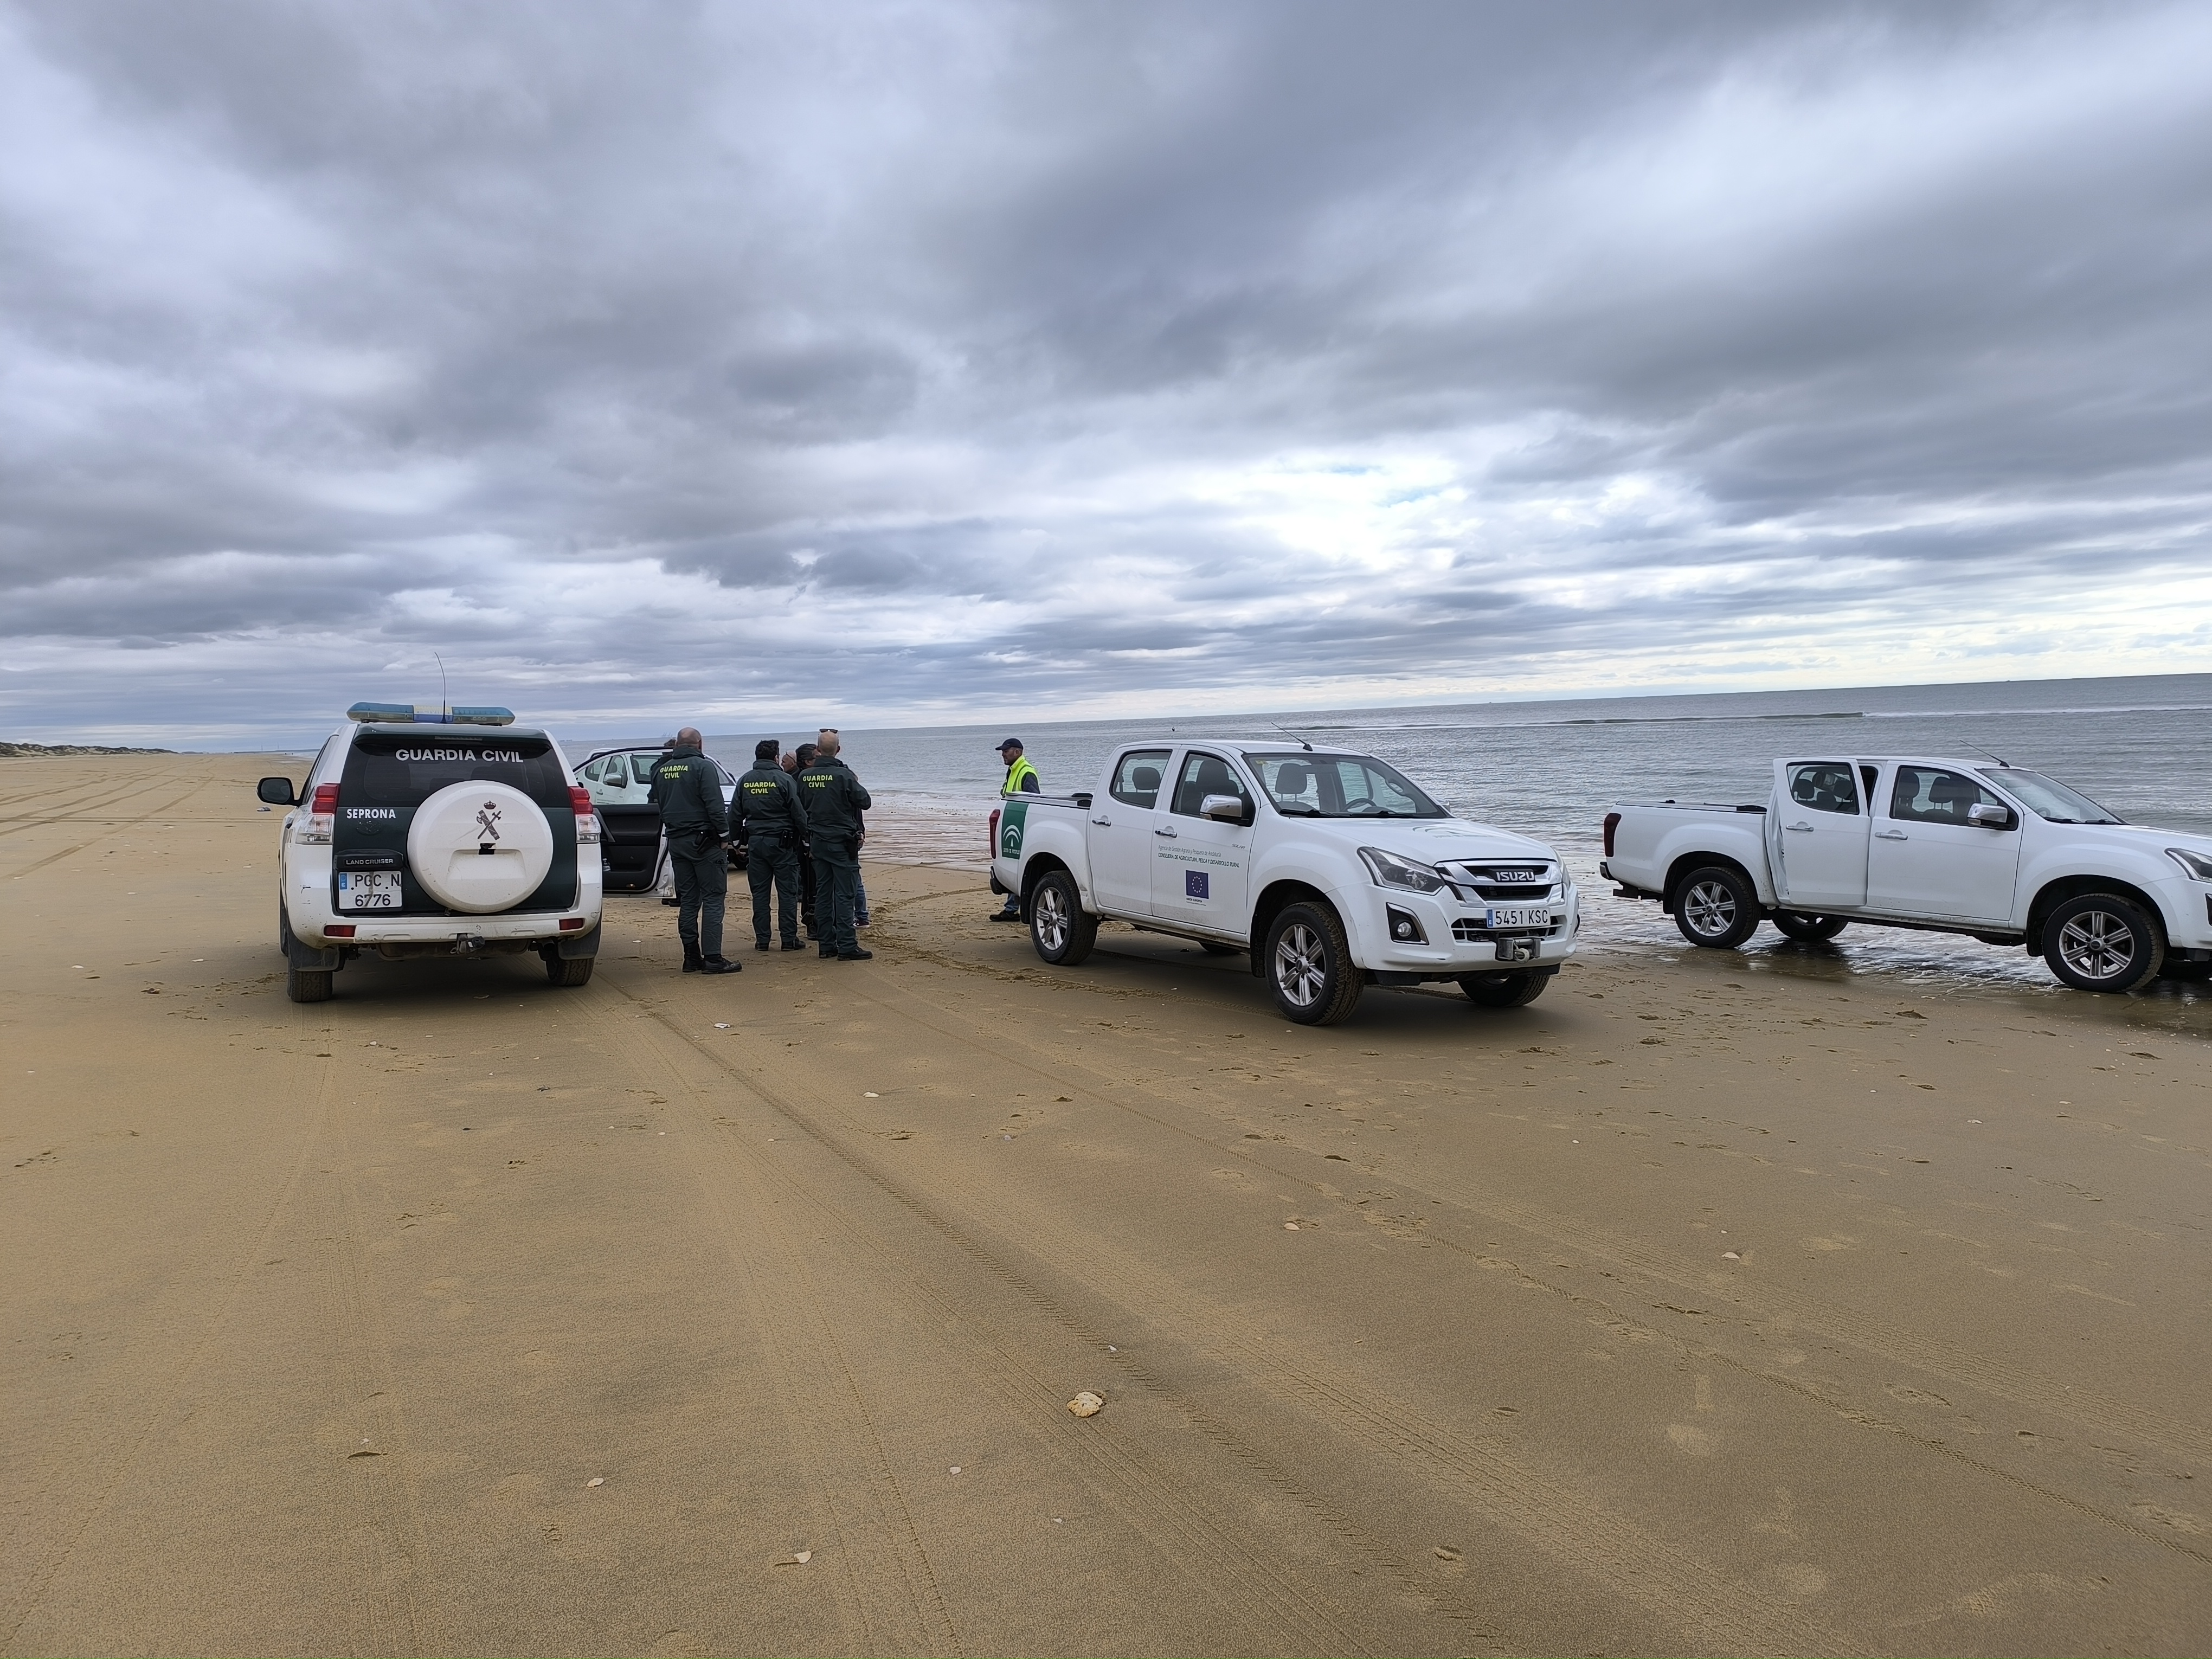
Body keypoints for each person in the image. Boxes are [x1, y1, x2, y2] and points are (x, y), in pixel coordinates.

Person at [648, 728, 739, 974]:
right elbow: (715, 805)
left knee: (689, 900)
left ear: (677, 745)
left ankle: (691, 957)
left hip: (677, 841)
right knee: (713, 898)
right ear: (700, 744)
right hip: (705, 842)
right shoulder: (703, 767)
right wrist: (724, 836)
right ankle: (713, 958)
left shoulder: (661, 770)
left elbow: (657, 802)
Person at [798, 729, 872, 961]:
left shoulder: (804, 777)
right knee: (845, 894)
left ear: (818, 750)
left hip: (818, 842)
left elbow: (800, 805)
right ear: (838, 750)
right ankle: (847, 945)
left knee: (823, 893)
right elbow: (865, 801)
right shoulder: (844, 775)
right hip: (841, 842)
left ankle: (827, 944)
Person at [736, 738, 808, 950]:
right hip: (782, 844)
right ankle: (788, 939)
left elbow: (735, 814)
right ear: (776, 758)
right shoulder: (785, 780)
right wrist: (807, 837)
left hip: (756, 843)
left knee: (760, 894)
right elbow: (798, 812)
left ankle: (762, 940)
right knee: (787, 893)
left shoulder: (745, 780)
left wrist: (735, 841)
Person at [991, 736, 1040, 921]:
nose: (1003, 754)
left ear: (1017, 752)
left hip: (1021, 827)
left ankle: (1016, 909)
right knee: (1014, 866)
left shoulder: (1026, 771)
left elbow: (1034, 801)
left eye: (1006, 751)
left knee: (1019, 868)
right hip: (1013, 825)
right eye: (1003, 751)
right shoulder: (1014, 770)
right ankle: (1012, 909)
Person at [786, 743, 819, 937]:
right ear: (807, 761)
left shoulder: (801, 778)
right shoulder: (796, 780)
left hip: (812, 836)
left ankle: (817, 922)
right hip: (805, 838)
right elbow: (796, 811)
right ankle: (812, 923)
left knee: (813, 883)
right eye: (816, 757)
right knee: (810, 883)